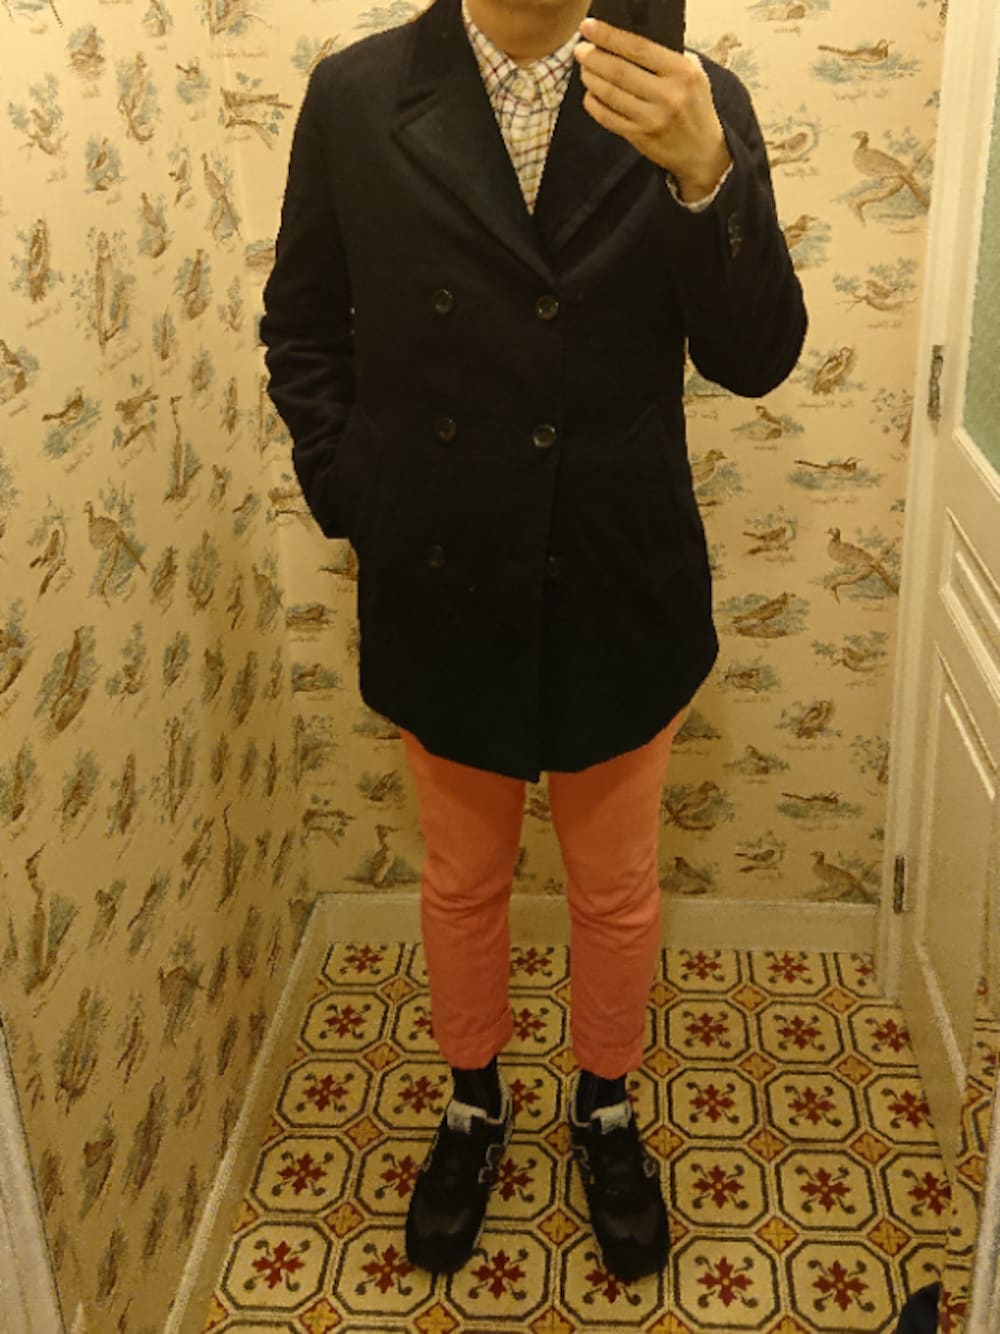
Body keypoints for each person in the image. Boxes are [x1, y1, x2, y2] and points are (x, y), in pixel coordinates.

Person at [261, 0, 807, 1282]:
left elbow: (756, 358)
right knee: (462, 877)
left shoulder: (686, 93)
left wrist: (706, 174)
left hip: (614, 568)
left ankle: (603, 1101)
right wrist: (358, 491)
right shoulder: (356, 95)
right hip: (442, 569)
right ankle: (472, 1098)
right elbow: (305, 324)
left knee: (614, 884)